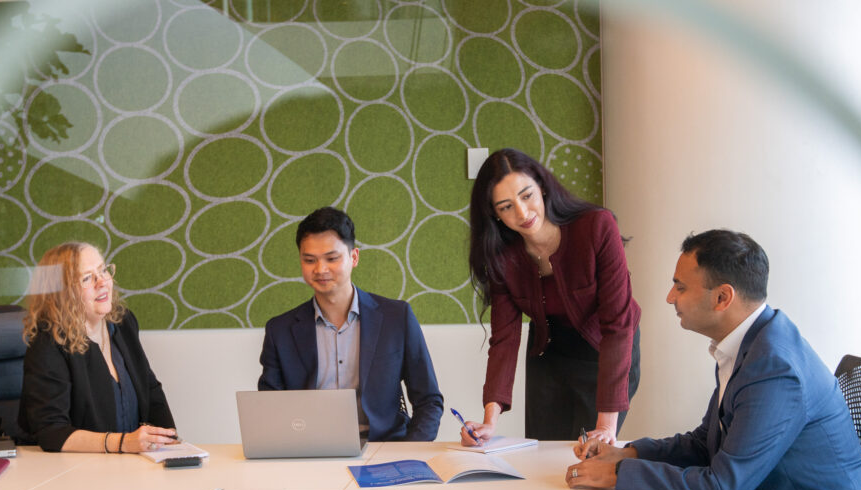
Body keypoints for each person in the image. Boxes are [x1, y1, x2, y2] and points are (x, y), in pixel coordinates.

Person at [567, 230, 861, 490]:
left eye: (679, 287)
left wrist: (617, 473)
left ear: (722, 298)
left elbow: (722, 488)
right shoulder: (753, 343)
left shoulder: (774, 369)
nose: (669, 298)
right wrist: (628, 452)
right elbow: (705, 443)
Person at [463, 148, 641, 446]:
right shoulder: (502, 257)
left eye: (527, 195)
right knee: (545, 453)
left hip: (603, 350)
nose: (522, 213)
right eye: (506, 207)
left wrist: (606, 426)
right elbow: (505, 338)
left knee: (590, 453)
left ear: (542, 187)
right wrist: (489, 421)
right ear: (494, 214)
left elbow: (618, 325)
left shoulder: (596, 226)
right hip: (547, 353)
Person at [259, 207, 444, 441]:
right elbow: (268, 411)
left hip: (384, 448)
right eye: (309, 260)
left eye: (332, 258)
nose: (320, 269)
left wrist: (410, 453)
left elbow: (429, 401)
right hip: (310, 451)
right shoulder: (280, 331)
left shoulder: (397, 317)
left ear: (354, 257)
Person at [19, 242, 178, 454]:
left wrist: (170, 442)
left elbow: (150, 389)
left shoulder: (123, 323)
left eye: (103, 270)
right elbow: (51, 431)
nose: (102, 282)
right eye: (87, 278)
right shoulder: (48, 344)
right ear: (62, 293)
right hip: (79, 474)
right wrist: (123, 443)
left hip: (134, 465)